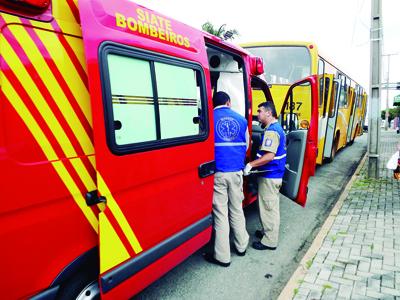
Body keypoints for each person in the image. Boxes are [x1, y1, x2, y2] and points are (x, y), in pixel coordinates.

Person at [203, 91, 249, 267]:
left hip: (218, 173)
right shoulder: (242, 120)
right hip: (236, 171)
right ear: (228, 103)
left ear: (213, 104)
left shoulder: (208, 119)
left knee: (221, 214)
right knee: (237, 209)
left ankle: (223, 257)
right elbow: (247, 145)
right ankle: (241, 246)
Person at [244, 101, 286, 251]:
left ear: (269, 113)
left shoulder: (272, 131)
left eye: (260, 111)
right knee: (268, 206)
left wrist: (251, 165)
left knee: (269, 208)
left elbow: (269, 156)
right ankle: (266, 231)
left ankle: (269, 241)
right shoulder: (274, 128)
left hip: (270, 176)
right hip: (272, 175)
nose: (258, 114)